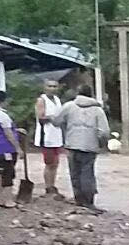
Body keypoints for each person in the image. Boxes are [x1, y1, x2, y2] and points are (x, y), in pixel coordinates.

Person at [45, 82, 110, 210]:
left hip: (72, 145)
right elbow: (105, 131)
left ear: (78, 94)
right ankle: (89, 201)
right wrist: (101, 142)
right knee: (88, 173)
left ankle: (79, 200)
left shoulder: (69, 106)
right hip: (90, 147)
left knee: (75, 173)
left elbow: (57, 121)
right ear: (91, 94)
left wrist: (49, 117)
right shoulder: (97, 110)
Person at [0, 90, 21, 208]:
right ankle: (8, 200)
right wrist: (18, 148)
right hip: (7, 148)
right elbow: (8, 133)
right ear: (2, 101)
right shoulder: (2, 115)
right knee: (8, 173)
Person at [34, 78, 64, 195]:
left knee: (56, 163)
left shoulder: (57, 99)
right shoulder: (42, 100)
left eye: (55, 86)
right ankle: (48, 186)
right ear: (45, 87)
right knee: (49, 163)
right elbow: (40, 117)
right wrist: (52, 118)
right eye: (50, 86)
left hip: (57, 135)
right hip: (46, 135)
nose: (52, 89)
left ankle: (53, 185)